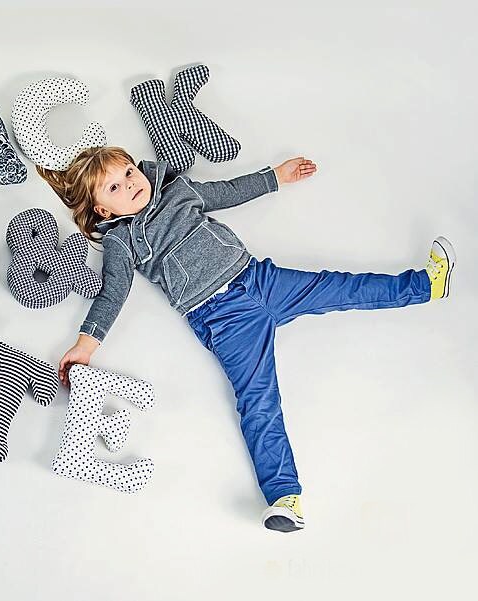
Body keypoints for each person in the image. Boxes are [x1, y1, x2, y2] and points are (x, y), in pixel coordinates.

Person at [38, 146, 456, 532]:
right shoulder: (120, 241)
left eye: (129, 172)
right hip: (222, 319)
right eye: (114, 187)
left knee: (341, 287)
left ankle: (426, 286)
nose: (130, 184)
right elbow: (113, 292)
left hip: (259, 280)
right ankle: (284, 498)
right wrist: (86, 344)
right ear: (102, 209)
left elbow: (229, 191)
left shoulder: (179, 192)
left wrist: (276, 176)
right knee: (258, 401)